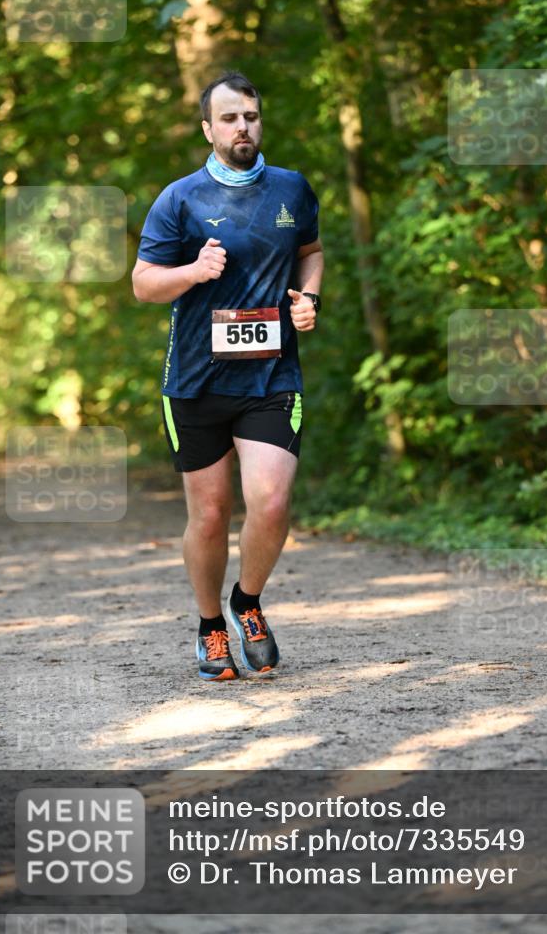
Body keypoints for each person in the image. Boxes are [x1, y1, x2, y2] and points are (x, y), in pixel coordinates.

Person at [132, 71, 323, 682]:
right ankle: (212, 625)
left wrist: (308, 299)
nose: (244, 127)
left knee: (269, 501)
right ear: (209, 129)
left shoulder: (292, 188)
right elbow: (142, 284)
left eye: (252, 116)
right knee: (210, 515)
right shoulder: (180, 199)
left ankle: (248, 601)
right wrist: (191, 271)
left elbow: (310, 252)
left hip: (271, 376)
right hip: (195, 382)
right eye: (231, 119)